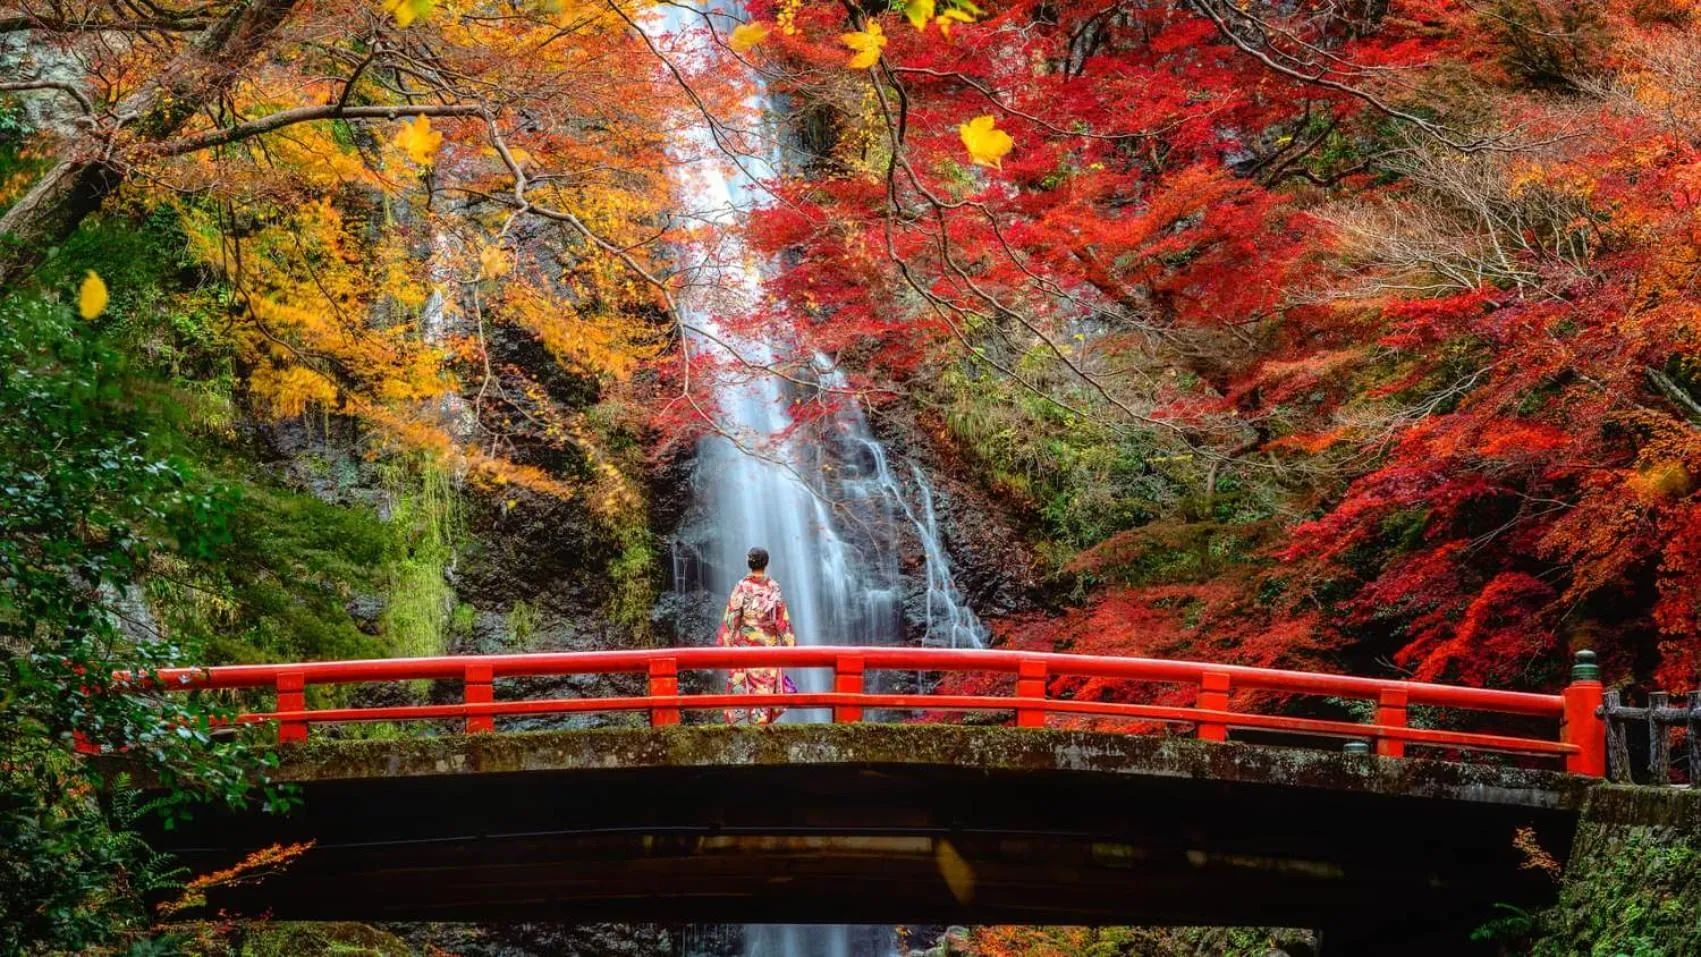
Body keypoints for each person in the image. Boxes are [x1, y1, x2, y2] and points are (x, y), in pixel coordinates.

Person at [714, 546, 797, 725]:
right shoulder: (774, 587)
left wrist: (726, 642)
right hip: (769, 648)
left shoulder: (742, 587)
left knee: (746, 686)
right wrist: (789, 645)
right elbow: (782, 621)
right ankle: (762, 725)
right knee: (765, 688)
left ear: (748, 562)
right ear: (766, 564)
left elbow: (732, 619)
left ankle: (750, 726)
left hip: (746, 647)